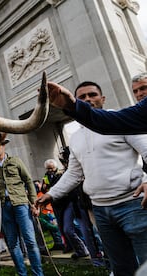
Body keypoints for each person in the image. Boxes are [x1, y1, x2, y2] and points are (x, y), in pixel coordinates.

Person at [36, 81, 147, 275]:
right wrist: (51, 194)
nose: (88, 99)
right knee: (121, 267)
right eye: (82, 97)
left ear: (102, 99)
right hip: (101, 211)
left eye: (92, 95)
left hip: (134, 206)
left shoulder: (120, 121)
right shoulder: (76, 138)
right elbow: (74, 172)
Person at [0, 132, 43, 276]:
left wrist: (34, 203)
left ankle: (38, 273)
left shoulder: (15, 161)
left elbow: (28, 181)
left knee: (30, 240)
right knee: (12, 243)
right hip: (3, 207)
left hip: (21, 204)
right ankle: (21, 273)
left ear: (4, 146)